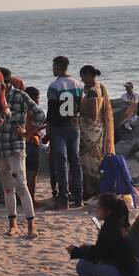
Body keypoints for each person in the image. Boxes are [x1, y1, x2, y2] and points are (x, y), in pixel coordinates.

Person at [0, 72, 47, 236]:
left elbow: (40, 114)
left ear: (4, 82)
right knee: (7, 188)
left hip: (15, 148)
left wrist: (27, 133)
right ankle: (13, 225)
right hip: (0, 147)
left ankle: (31, 226)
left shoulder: (20, 96)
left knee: (21, 186)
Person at [68, 193, 139, 276]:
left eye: (99, 209)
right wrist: (89, 247)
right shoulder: (121, 224)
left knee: (82, 265)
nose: (96, 211)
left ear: (108, 212)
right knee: (108, 261)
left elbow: (96, 257)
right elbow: (106, 251)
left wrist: (75, 251)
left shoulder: (110, 228)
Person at [46, 55, 84, 209]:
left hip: (58, 128)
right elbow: (79, 106)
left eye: (54, 66)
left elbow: (51, 110)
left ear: (59, 67)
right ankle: (78, 197)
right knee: (75, 161)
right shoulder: (78, 84)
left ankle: (63, 199)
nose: (52, 69)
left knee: (61, 162)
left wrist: (48, 126)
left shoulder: (54, 86)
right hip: (74, 126)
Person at [77, 64, 115, 201]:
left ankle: (92, 191)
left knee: (90, 162)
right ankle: (96, 190)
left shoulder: (92, 91)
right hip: (97, 130)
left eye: (82, 77)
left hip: (91, 132)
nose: (81, 80)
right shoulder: (100, 87)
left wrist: (79, 110)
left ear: (88, 75)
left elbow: (93, 113)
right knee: (96, 161)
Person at [23, 86, 46, 201]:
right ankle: (31, 200)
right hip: (32, 142)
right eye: (37, 98)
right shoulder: (33, 111)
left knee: (24, 173)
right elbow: (34, 127)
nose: (38, 101)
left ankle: (22, 198)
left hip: (23, 143)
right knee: (32, 173)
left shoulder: (21, 109)